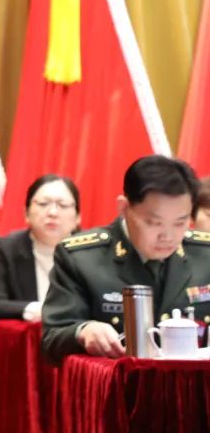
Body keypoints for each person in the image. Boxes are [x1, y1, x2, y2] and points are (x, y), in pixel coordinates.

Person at [41, 155, 210, 363]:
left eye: (180, 223)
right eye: (154, 223)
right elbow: (51, 339)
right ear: (124, 208)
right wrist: (84, 331)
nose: (168, 236)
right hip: (119, 382)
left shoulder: (205, 253)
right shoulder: (81, 258)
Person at [0, 175, 81, 324]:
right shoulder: (7, 248)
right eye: (43, 204)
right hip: (27, 337)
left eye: (63, 205)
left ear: (78, 217)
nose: (52, 212)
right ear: (26, 213)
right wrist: (38, 310)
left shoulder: (93, 250)